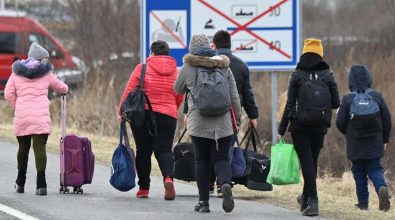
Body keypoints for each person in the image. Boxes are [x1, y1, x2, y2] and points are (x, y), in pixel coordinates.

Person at [174, 34, 241, 213]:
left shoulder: (189, 66)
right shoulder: (224, 65)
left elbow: (177, 88)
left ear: (191, 48)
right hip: (223, 123)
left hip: (198, 123)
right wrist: (238, 119)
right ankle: (225, 183)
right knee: (221, 158)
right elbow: (234, 96)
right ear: (210, 47)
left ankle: (203, 202)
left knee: (201, 160)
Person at [278, 38, 340, 216]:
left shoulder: (297, 74)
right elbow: (336, 102)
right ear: (320, 53)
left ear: (304, 52)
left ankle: (313, 202)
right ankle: (305, 197)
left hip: (299, 125)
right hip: (320, 125)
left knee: (307, 163)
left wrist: (281, 129)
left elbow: (289, 104)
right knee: (311, 162)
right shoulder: (328, 75)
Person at [118, 40, 183, 200]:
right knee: (164, 150)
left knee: (143, 151)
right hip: (168, 114)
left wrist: (121, 111)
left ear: (152, 53)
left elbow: (129, 90)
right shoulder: (176, 72)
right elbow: (180, 95)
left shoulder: (142, 68)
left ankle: (144, 189)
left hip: (143, 114)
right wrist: (172, 108)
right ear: (168, 54)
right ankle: (168, 178)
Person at [4, 42, 69, 195]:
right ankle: (41, 185)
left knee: (23, 148)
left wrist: (18, 106)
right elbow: (62, 87)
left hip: (22, 116)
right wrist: (65, 90)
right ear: (40, 59)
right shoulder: (46, 73)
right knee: (39, 148)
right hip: (40, 117)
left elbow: (8, 94)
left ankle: (20, 183)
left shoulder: (16, 73)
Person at [210, 30, 259, 195]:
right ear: (230, 46)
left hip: (208, 113)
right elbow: (248, 94)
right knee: (226, 148)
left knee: (208, 146)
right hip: (232, 115)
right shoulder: (241, 65)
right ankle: (222, 182)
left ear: (214, 46)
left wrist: (188, 112)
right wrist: (253, 116)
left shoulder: (208, 63)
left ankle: (209, 180)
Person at [336, 64, 392, 212]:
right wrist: (384, 139)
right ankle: (381, 188)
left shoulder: (348, 99)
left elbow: (339, 122)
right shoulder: (376, 96)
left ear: (350, 81)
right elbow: (387, 120)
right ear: (369, 79)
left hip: (355, 142)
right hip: (375, 141)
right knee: (374, 167)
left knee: (359, 171)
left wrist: (349, 133)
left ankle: (363, 204)